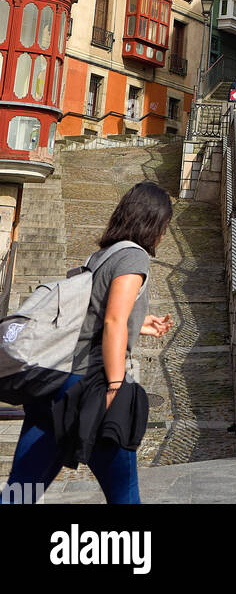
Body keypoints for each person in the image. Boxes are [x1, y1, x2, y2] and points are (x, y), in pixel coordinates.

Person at [5, 182, 174, 505]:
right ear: (152, 222)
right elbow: (112, 321)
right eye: (163, 226)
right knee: (124, 496)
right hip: (92, 388)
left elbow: (95, 318)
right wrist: (114, 387)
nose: (163, 235)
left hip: (56, 386)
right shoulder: (134, 258)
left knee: (19, 493)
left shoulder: (101, 256)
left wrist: (140, 323)